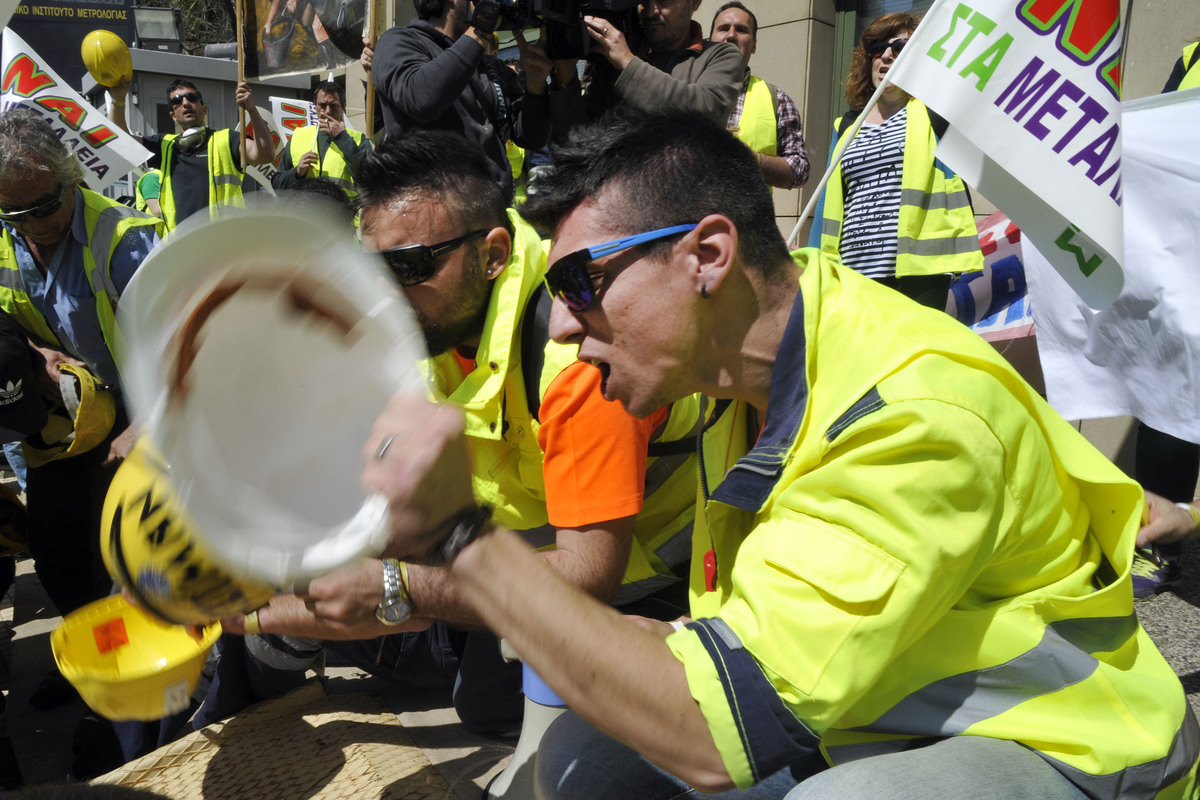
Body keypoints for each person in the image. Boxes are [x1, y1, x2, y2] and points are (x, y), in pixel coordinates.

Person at [358, 109, 1199, 800]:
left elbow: (711, 737)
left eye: (582, 282)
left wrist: (458, 545)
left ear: (709, 257)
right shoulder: (735, 377)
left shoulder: (908, 412)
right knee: (588, 754)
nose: (568, 323)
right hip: (866, 714)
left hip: (1061, 742)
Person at [214, 130, 701, 738]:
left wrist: (401, 589)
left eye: (409, 266)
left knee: (484, 701)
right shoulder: (429, 326)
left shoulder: (575, 364)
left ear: (494, 254)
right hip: (510, 542)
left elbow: (590, 573)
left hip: (641, 578)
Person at [0, 110, 161, 708]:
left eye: (41, 208)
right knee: (57, 548)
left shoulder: (124, 241)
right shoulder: (8, 232)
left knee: (116, 557)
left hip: (132, 416)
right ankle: (89, 659)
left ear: (72, 182)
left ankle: (126, 684)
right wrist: (31, 350)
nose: (30, 226)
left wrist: (145, 423)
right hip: (62, 422)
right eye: (12, 213)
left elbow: (189, 341)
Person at [808, 12, 981, 309]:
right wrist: (812, 266)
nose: (886, 54)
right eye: (877, 48)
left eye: (899, 47)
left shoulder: (935, 113)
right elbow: (826, 203)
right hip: (854, 273)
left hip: (919, 272)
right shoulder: (847, 125)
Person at [1128, 37, 1200, 597]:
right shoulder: (1192, 54)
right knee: (1168, 403)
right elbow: (1153, 144)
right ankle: (1160, 545)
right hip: (1186, 257)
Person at [360, 0, 553, 203]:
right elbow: (422, 98)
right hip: (433, 219)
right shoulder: (398, 42)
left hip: (490, 214)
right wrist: (482, 27)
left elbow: (532, 138)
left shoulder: (489, 66)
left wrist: (536, 86)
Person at [108, 79, 274, 231]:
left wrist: (251, 109)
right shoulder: (165, 145)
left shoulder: (227, 139)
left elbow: (266, 154)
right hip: (180, 250)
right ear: (173, 116)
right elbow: (121, 143)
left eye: (191, 98)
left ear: (204, 109)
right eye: (177, 101)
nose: (185, 103)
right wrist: (118, 100)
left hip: (222, 247)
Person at [550, 0, 743, 130]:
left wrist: (628, 63)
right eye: (644, 1)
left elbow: (705, 117)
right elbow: (579, 143)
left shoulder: (721, 55)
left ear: (694, 2)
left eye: (663, 1)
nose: (651, 12)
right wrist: (565, 75)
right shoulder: (612, 64)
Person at [709, 2, 809, 191]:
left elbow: (800, 171)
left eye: (741, 30)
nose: (731, 35)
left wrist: (753, 159)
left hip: (749, 219)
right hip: (690, 219)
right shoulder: (685, 87)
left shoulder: (777, 100)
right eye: (723, 28)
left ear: (754, 45)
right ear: (709, 41)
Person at [270, 82, 372, 203]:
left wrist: (341, 137)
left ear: (344, 106)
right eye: (322, 105)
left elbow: (370, 178)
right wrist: (297, 172)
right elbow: (277, 186)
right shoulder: (298, 137)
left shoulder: (359, 139)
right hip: (304, 217)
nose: (327, 111)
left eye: (333, 105)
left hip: (342, 218)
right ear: (315, 106)